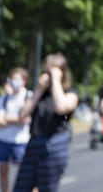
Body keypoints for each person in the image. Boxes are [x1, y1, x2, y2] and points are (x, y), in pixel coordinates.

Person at [12, 53, 79, 192]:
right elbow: (22, 114)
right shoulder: (39, 93)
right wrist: (39, 89)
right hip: (34, 144)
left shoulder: (71, 93)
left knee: (47, 189)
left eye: (50, 72)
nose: (46, 75)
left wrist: (56, 81)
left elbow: (61, 108)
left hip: (55, 146)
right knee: (20, 187)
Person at [0, 69, 31, 192]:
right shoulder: (4, 98)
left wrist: (7, 119)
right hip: (3, 139)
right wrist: (16, 119)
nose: (15, 82)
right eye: (12, 79)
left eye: (18, 79)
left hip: (21, 141)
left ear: (24, 81)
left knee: (26, 173)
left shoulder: (28, 95)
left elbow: (25, 119)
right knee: (3, 172)